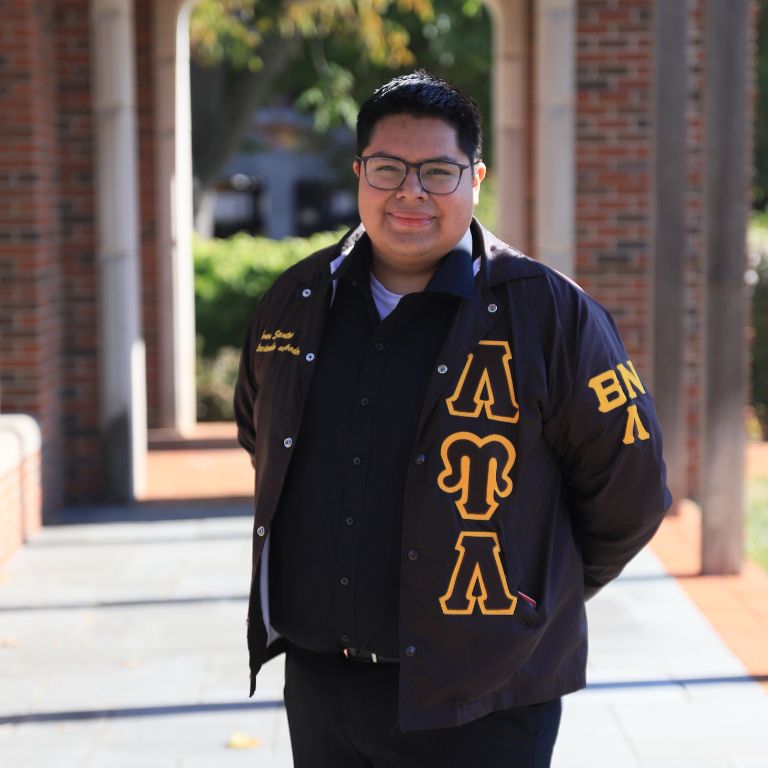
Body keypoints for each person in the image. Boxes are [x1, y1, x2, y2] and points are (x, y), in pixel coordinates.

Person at [234, 70, 671, 768]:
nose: (411, 192)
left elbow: (632, 489)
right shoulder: (296, 298)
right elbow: (262, 436)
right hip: (321, 688)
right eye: (388, 169)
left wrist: (533, 598)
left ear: (476, 177)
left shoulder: (551, 313)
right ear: (359, 174)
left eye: (438, 171)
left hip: (484, 698)